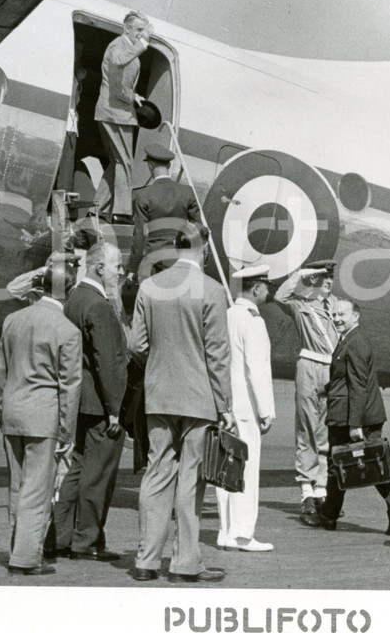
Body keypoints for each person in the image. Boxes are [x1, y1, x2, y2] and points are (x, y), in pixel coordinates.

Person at [128, 223, 235, 583]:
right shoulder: (212, 290)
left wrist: (158, 367)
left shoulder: (149, 287)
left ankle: (146, 560)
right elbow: (218, 355)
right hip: (199, 399)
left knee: (156, 473)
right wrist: (225, 406)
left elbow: (136, 346)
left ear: (175, 247)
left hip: (158, 396)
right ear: (203, 249)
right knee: (191, 480)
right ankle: (185, 563)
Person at [0, 262, 82, 575]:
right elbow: (70, 387)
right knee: (37, 489)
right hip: (43, 417)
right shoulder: (68, 330)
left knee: (17, 485)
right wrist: (68, 434)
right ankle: (26, 557)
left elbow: (0, 371)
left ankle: (18, 545)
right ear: (68, 291)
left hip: (12, 412)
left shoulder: (13, 320)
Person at [50, 242, 128, 561]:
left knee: (77, 470)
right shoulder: (98, 305)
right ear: (99, 267)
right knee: (98, 475)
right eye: (116, 265)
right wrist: (115, 410)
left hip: (80, 401)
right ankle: (87, 542)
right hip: (100, 405)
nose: (121, 271)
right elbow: (108, 361)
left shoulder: (74, 300)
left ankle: (61, 537)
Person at [309, 299, 390, 534]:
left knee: (366, 464)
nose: (337, 318)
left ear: (356, 317)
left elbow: (359, 385)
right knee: (361, 464)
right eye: (334, 314)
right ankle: (333, 515)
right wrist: (328, 388)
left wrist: (354, 425)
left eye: (342, 314)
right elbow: (346, 378)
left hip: (354, 418)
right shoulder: (349, 340)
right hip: (347, 414)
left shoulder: (356, 342)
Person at [273, 259, 339, 525]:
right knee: (306, 428)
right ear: (313, 280)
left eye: (330, 278)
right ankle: (306, 493)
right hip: (309, 367)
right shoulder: (301, 305)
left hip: (331, 370)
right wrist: (301, 274)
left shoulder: (337, 306)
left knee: (325, 429)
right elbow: (280, 296)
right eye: (322, 278)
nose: (328, 282)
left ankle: (322, 489)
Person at [216, 265, 276, 552]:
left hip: (227, 404)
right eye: (266, 285)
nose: (269, 290)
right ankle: (243, 535)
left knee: (226, 467)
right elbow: (257, 369)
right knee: (247, 470)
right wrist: (266, 410)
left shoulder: (227, 315)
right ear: (256, 288)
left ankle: (225, 531)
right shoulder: (253, 320)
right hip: (248, 406)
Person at [94, 10, 154, 223]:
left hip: (116, 111)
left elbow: (120, 81)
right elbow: (118, 62)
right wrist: (143, 45)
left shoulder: (127, 46)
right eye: (138, 30)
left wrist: (133, 94)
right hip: (116, 114)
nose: (141, 34)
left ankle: (97, 207)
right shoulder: (118, 45)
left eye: (143, 31)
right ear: (126, 28)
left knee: (117, 161)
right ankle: (122, 212)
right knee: (126, 162)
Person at [126, 142, 201, 282]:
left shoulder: (143, 195)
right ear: (168, 166)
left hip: (156, 262)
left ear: (150, 166)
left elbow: (139, 236)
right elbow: (199, 230)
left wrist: (132, 268)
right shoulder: (187, 192)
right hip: (182, 259)